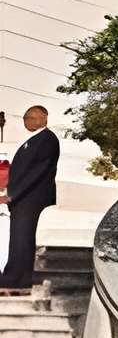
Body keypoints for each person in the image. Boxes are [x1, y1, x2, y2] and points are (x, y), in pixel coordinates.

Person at [2, 105, 57, 292]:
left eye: (33, 117)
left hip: (32, 199)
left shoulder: (47, 139)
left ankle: (19, 279)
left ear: (44, 119)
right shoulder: (34, 140)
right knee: (18, 238)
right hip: (23, 199)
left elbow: (37, 172)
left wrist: (12, 194)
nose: (28, 121)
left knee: (24, 239)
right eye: (26, 118)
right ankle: (14, 277)